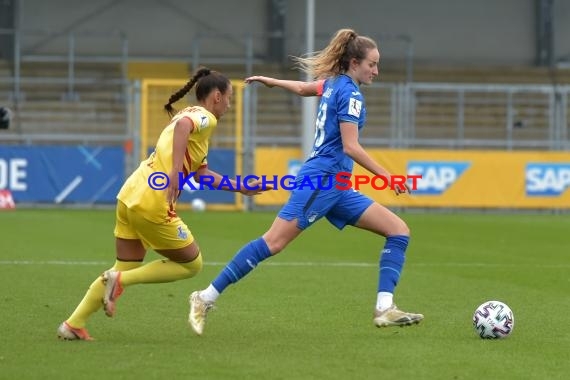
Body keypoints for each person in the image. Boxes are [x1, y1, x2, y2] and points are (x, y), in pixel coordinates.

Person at [188, 29, 424, 335]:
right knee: (273, 242)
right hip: (322, 181)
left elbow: (303, 88)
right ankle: (205, 297)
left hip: (337, 186)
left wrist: (272, 82)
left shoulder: (335, 83)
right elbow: (351, 146)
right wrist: (387, 176)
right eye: (372, 64)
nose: (376, 71)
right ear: (354, 62)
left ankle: (384, 308)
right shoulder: (350, 93)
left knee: (398, 231)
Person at [57, 67, 268, 340]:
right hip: (153, 201)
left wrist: (239, 186)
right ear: (216, 96)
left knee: (123, 266)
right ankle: (120, 283)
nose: (229, 105)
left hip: (130, 194)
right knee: (192, 264)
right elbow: (182, 130)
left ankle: (73, 324)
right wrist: (173, 174)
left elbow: (201, 173)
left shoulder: (189, 115)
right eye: (229, 98)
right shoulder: (204, 118)